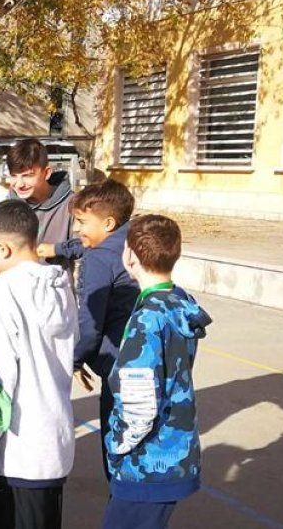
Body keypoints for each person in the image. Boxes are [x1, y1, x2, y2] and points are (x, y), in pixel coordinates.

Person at [0, 200, 77, 529]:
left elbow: (1, 377)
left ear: (2, 248)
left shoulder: (1, 288)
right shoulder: (60, 284)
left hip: (20, 447)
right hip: (56, 441)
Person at [102, 215, 210, 529]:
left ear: (130, 256)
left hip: (146, 463)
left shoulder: (146, 319)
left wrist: (118, 443)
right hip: (175, 452)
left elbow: (140, 399)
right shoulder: (178, 301)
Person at [43, 179, 139, 475]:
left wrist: (74, 359)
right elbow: (85, 243)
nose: (77, 229)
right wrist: (58, 248)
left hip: (117, 361)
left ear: (108, 222)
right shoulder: (132, 239)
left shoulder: (99, 258)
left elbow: (90, 320)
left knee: (117, 438)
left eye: (82, 222)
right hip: (143, 354)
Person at [5, 139, 76, 272]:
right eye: (14, 176)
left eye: (28, 176)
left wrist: (56, 249)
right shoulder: (7, 206)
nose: (19, 184)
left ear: (47, 172)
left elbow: (85, 245)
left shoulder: (72, 205)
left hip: (54, 288)